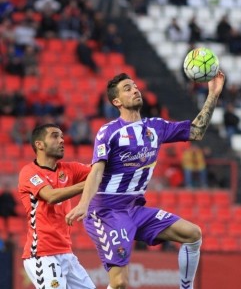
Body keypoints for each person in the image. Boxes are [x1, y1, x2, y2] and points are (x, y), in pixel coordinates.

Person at [66, 71, 225, 289]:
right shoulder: (109, 132)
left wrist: (213, 95)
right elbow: (96, 171)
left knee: (192, 234)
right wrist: (83, 203)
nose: (135, 90)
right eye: (127, 88)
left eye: (134, 86)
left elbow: (196, 132)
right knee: (120, 282)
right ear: (116, 101)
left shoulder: (156, 127)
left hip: (135, 209)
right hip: (106, 212)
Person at [18, 124, 96, 289]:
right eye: (54, 136)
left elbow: (98, 171)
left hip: (66, 253)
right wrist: (89, 185)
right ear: (39, 144)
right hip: (42, 254)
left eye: (62, 136)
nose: (62, 140)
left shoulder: (69, 169)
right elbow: (51, 196)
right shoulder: (29, 172)